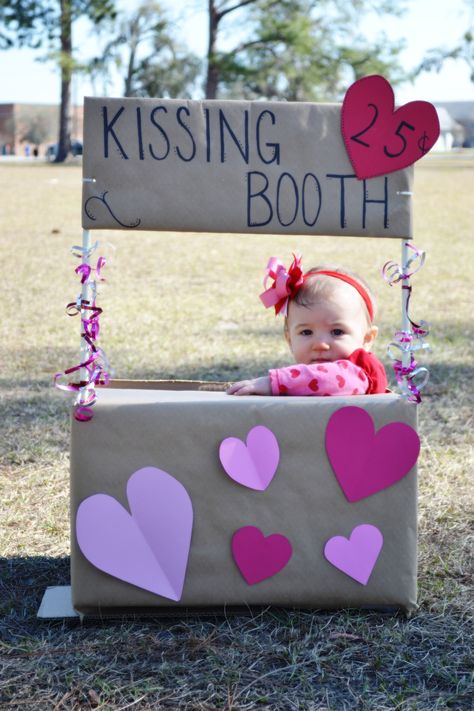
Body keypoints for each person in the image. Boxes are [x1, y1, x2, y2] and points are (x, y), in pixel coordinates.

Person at [227, 254, 387, 396]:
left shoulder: (361, 371)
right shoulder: (301, 383)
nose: (320, 344)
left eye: (337, 332)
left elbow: (327, 379)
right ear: (289, 339)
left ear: (367, 339)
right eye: (306, 332)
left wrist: (277, 382)